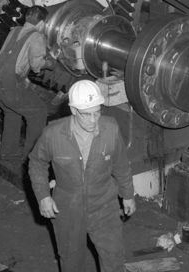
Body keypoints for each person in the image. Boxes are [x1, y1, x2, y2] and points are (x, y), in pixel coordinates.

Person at [29, 80, 135, 272]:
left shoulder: (110, 129)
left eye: (97, 112)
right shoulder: (53, 134)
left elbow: (121, 165)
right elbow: (36, 163)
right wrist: (43, 196)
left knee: (114, 259)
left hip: (104, 205)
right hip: (68, 208)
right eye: (87, 115)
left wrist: (128, 195)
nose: (94, 120)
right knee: (71, 261)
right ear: (74, 110)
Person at [0, 5, 53, 160]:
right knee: (39, 112)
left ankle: (7, 151)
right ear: (42, 23)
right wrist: (50, 63)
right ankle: (32, 156)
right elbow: (37, 66)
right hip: (8, 87)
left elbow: (12, 57)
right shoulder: (37, 37)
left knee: (12, 111)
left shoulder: (14, 30)